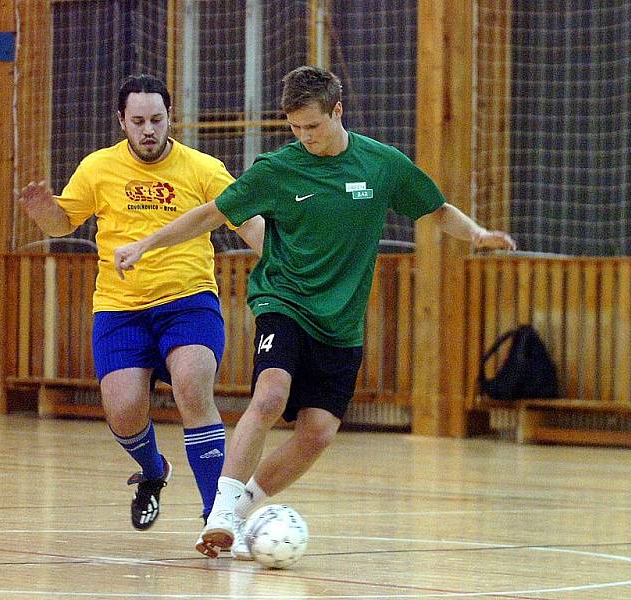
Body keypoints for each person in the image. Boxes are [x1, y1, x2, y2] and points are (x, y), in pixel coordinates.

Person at [113, 66, 516, 558]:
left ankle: (242, 515)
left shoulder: (380, 164)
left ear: (337, 111)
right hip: (282, 300)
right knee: (268, 397)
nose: (304, 137)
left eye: (313, 127)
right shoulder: (278, 170)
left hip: (340, 321)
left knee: (318, 433)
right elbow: (212, 213)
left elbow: (434, 208)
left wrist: (476, 234)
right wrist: (147, 244)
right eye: (295, 128)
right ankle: (219, 511)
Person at [18, 74, 264, 532]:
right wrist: (43, 211)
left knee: (192, 385)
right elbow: (61, 224)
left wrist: (284, 258)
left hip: (188, 300)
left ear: (171, 117)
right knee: (124, 409)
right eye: (138, 121)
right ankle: (153, 470)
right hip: (120, 307)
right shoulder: (97, 168)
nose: (148, 129)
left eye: (156, 119)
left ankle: (217, 514)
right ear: (121, 121)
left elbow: (247, 220)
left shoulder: (203, 169)